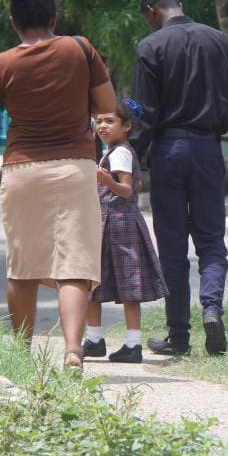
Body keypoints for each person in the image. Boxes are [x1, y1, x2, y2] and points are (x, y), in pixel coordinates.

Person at [0, 0, 117, 370]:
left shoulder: (3, 63)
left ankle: (21, 356)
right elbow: (107, 104)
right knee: (75, 264)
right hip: (75, 168)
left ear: (13, 21)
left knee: (23, 266)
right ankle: (73, 351)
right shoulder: (80, 48)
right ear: (54, 17)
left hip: (22, 169)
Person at [132, 0, 228, 357]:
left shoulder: (150, 47)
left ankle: (179, 335)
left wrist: (131, 160)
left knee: (172, 246)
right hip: (208, 150)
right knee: (211, 241)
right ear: (179, 3)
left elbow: (145, 115)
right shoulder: (219, 41)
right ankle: (212, 309)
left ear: (152, 10)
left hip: (168, 151)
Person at [82, 98, 168, 363]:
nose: (103, 126)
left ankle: (127, 343)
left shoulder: (120, 152)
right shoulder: (112, 151)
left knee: (121, 283)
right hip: (111, 222)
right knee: (96, 282)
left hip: (119, 225)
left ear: (127, 126)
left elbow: (127, 190)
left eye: (110, 121)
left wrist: (107, 181)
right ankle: (98, 339)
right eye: (99, 121)